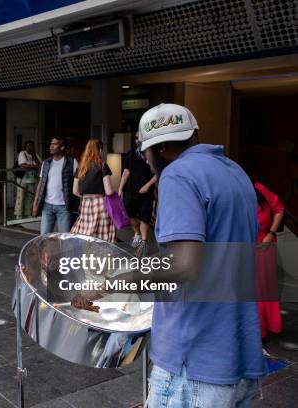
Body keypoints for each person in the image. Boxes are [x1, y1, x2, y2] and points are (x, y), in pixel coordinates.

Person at [73, 103, 266, 407]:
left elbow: (183, 265)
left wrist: (110, 282)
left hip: (193, 363)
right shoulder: (235, 171)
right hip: (240, 354)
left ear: (160, 147)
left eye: (144, 153)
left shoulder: (178, 175)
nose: (146, 163)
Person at [253, 181, 284, 340]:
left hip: (263, 246)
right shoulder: (228, 191)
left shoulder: (258, 188)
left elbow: (279, 209)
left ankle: (260, 330)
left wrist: (270, 234)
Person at [118, 134, 157, 254]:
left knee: (145, 217)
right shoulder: (130, 154)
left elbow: (158, 173)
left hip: (146, 193)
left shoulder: (152, 154)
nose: (137, 140)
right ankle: (137, 233)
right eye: (136, 138)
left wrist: (148, 185)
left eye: (139, 138)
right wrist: (120, 188)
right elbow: (126, 172)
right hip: (130, 191)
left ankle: (144, 243)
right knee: (130, 214)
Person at [70, 139, 115, 242]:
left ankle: (88, 256)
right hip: (100, 204)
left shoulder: (80, 168)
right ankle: (102, 257)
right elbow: (108, 191)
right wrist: (115, 193)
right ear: (99, 149)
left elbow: (75, 191)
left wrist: (85, 197)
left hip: (85, 204)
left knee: (87, 236)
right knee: (102, 237)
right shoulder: (103, 166)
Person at [33, 137, 78, 234]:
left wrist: (81, 203)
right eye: (51, 143)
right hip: (47, 206)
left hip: (64, 207)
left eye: (54, 144)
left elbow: (79, 183)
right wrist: (35, 205)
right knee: (44, 236)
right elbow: (40, 185)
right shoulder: (46, 163)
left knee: (64, 238)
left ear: (62, 147)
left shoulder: (72, 162)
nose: (51, 146)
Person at [14, 140, 41, 219]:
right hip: (22, 179)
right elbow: (23, 165)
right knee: (21, 197)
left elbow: (41, 164)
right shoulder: (22, 153)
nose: (29, 147)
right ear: (25, 146)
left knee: (30, 197)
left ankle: (28, 213)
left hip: (32, 180)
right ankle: (18, 215)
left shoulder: (35, 155)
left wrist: (34, 156)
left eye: (31, 145)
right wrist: (36, 166)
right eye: (28, 145)